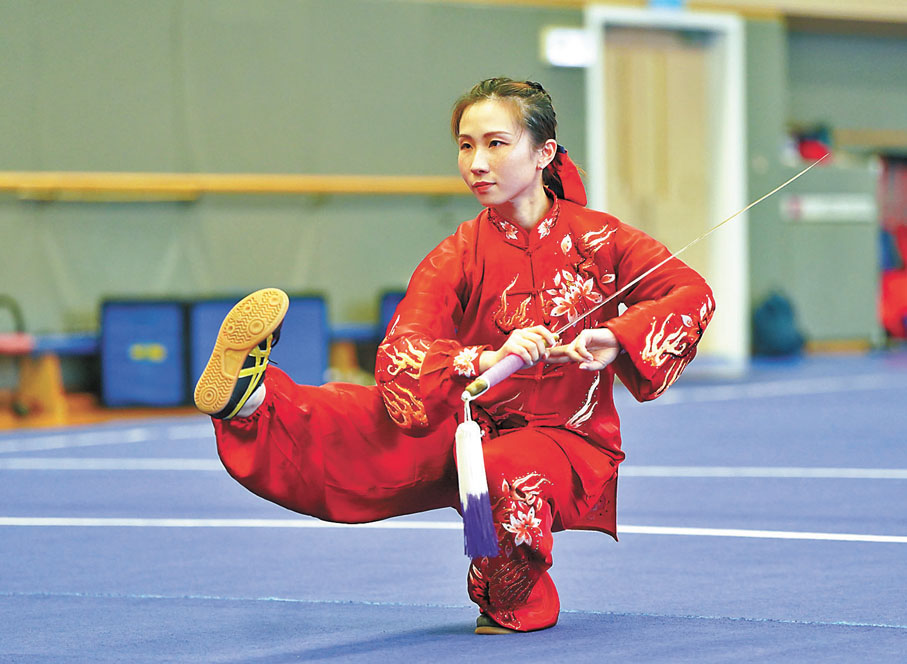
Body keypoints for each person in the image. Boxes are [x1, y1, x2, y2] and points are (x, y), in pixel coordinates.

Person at [194, 77, 714, 634]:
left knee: (504, 469)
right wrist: (482, 361)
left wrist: (614, 337)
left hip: (567, 441)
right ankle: (257, 401)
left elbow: (690, 293)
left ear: (544, 153)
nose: (476, 163)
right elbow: (402, 353)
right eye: (466, 146)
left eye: (496, 143)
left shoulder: (603, 239)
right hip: (468, 423)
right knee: (358, 417)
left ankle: (513, 592)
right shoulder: (458, 252)